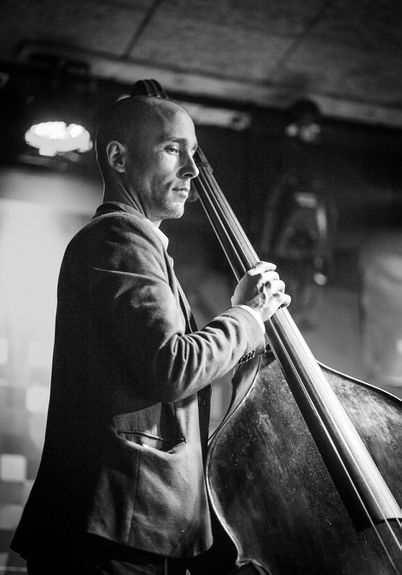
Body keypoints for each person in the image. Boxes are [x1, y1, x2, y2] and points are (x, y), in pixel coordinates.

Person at [11, 90, 290, 574]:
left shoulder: (138, 246)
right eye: (172, 149)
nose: (192, 169)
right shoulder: (120, 236)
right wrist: (246, 317)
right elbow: (175, 366)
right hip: (118, 528)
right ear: (119, 157)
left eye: (192, 152)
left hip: (130, 528)